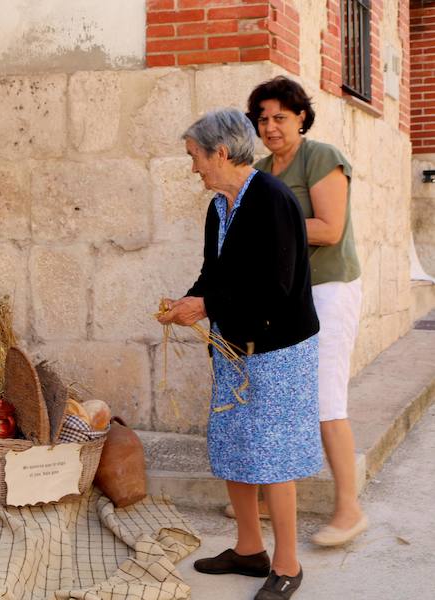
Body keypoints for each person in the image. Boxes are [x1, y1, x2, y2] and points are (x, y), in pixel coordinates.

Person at [158, 108, 322, 600]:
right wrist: (187, 303)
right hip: (234, 347)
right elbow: (215, 274)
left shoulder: (272, 200)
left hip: (278, 349)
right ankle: (250, 550)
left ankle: (288, 564)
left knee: (271, 457)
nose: (193, 168)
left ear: (221, 153)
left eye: (195, 157)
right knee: (234, 444)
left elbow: (277, 287)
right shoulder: (219, 207)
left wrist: (206, 305)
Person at [245, 76, 366, 547]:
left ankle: (349, 509)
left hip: (329, 289)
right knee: (272, 391)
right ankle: (264, 498)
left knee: (325, 398)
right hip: (284, 296)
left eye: (280, 117)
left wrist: (266, 231)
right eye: (263, 118)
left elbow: (330, 228)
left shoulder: (321, 157)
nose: (270, 126)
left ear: (301, 117)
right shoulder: (259, 171)